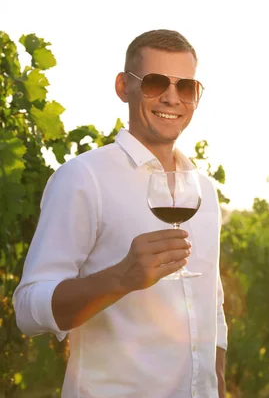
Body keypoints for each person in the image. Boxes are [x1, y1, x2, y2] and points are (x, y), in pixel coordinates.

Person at [13, 29, 227, 398]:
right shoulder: (82, 178)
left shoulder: (203, 189)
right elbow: (28, 311)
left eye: (186, 87)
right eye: (155, 83)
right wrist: (120, 278)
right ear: (122, 87)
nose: (172, 97)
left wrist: (217, 379)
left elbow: (213, 300)